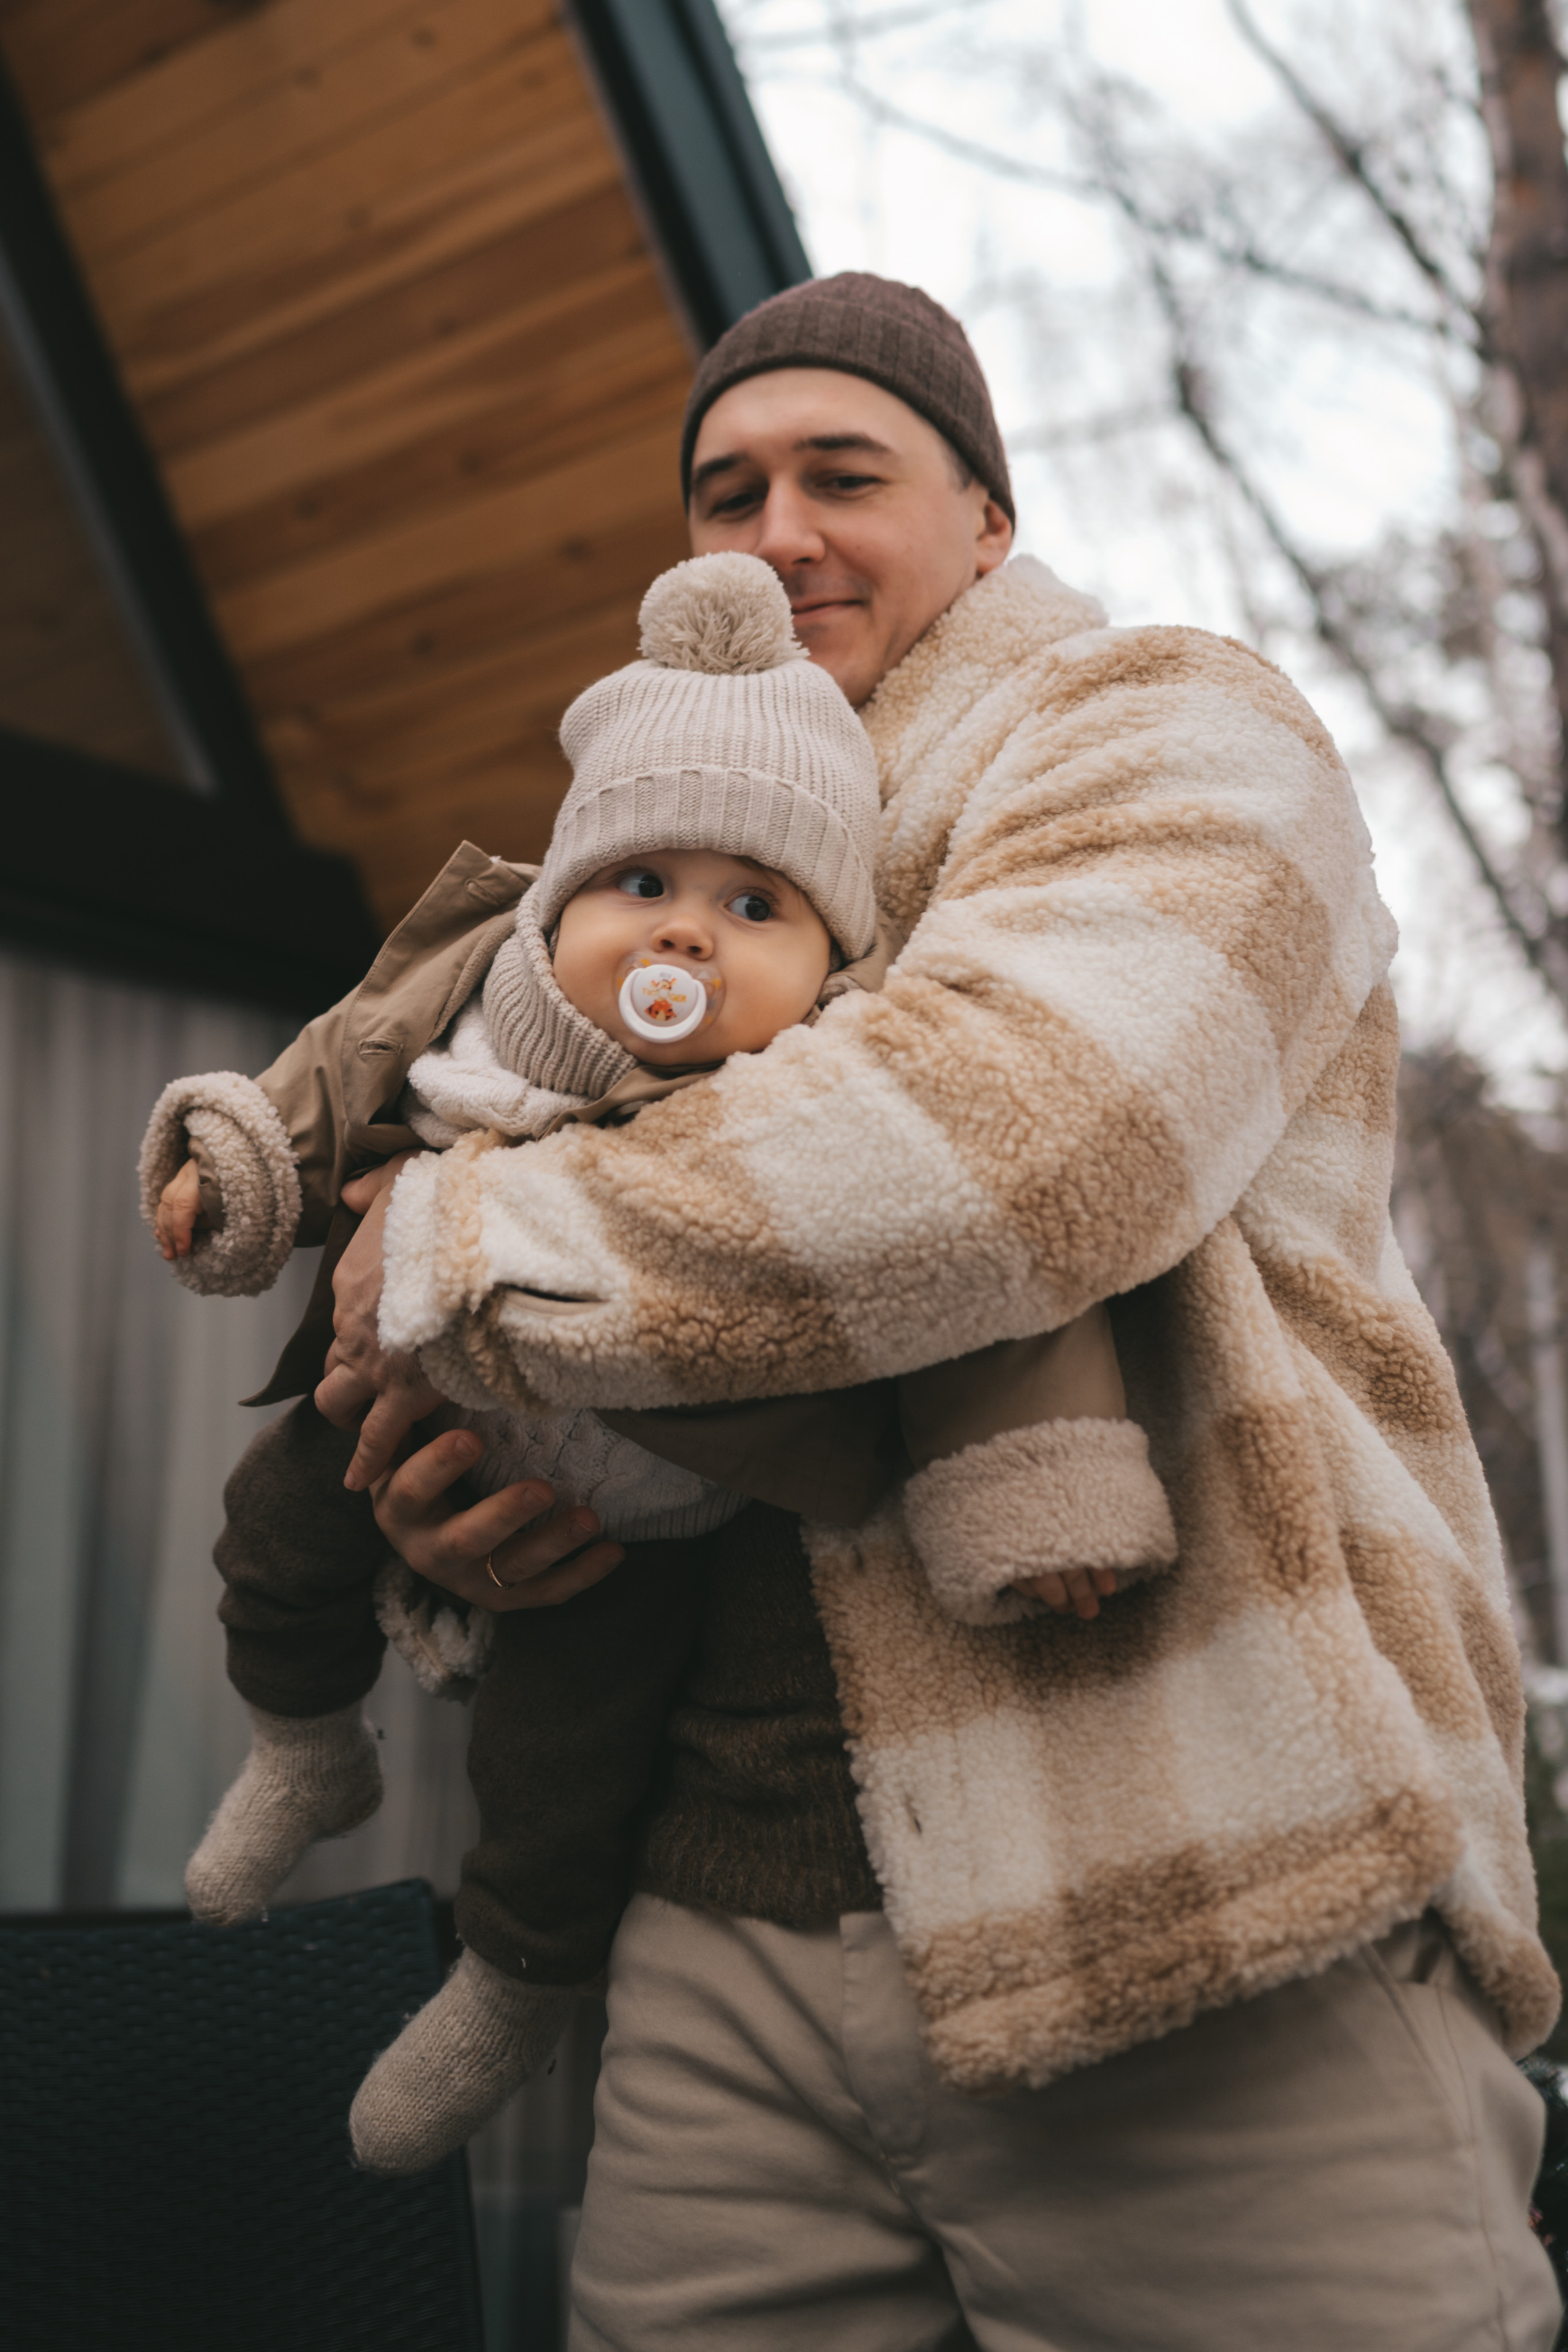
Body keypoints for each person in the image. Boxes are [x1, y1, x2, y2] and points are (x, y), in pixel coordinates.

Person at [311, 271, 1564, 2348]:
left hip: (1197, 1879)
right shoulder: (659, 859)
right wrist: (471, 1515)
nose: (774, 528)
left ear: (988, 523)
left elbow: (1010, 1147)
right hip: (714, 1932)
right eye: (725, 491)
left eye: (842, 474)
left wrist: (455, 1248)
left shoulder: (1172, 723)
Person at [141, 551, 1175, 2175]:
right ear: (567, 899)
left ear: (828, 958)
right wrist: (236, 1168)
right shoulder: (484, 980)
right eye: (643, 885)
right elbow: (335, 1069)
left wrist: (1033, 1504)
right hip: (424, 1404)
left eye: (754, 906)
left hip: (665, 1509)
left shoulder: (843, 1079)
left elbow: (986, 1287)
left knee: (564, 1755)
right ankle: (301, 1744)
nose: (686, 926)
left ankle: (514, 1978)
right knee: (274, 1527)